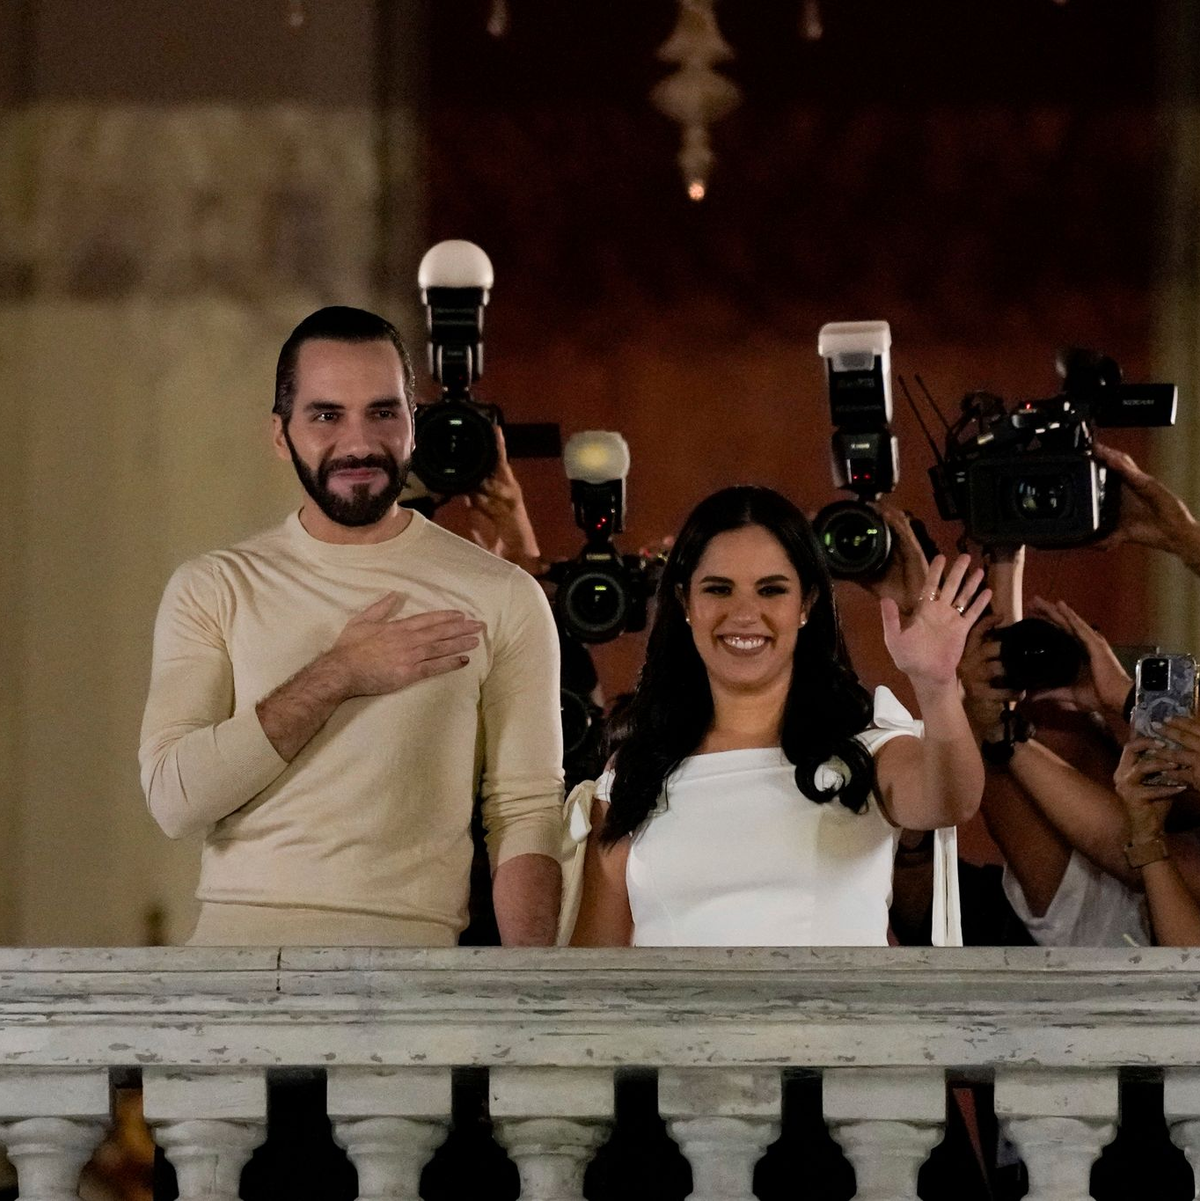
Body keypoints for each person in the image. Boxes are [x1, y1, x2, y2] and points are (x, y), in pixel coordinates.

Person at [139, 305, 564, 947]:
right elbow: (174, 799)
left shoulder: (503, 595)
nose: (359, 443)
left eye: (383, 412)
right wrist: (338, 673)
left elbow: (526, 813)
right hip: (234, 976)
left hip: (415, 979)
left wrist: (535, 1005)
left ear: (412, 427)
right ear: (281, 435)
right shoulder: (214, 587)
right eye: (327, 415)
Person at [569, 485, 990, 947]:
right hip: (675, 1021)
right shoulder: (635, 772)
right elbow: (594, 972)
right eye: (718, 589)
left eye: (771, 590)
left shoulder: (865, 745)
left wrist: (936, 684)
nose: (745, 613)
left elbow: (952, 799)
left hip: (836, 1019)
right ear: (685, 603)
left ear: (806, 604)